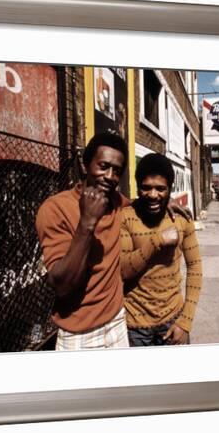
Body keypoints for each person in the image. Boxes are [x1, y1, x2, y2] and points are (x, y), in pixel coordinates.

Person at [35, 133, 190, 350]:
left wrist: (165, 200)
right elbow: (62, 285)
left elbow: (143, 202)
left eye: (116, 170)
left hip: (118, 322)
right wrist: (87, 223)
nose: (109, 176)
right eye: (103, 166)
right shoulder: (55, 209)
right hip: (79, 332)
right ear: (85, 164)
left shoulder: (118, 203)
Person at [120, 153, 203, 346]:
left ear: (170, 189)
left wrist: (186, 321)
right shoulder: (125, 217)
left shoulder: (182, 219)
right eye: (146, 187)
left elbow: (195, 268)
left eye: (160, 189)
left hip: (174, 320)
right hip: (134, 328)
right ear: (138, 186)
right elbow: (122, 270)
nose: (153, 195)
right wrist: (157, 241)